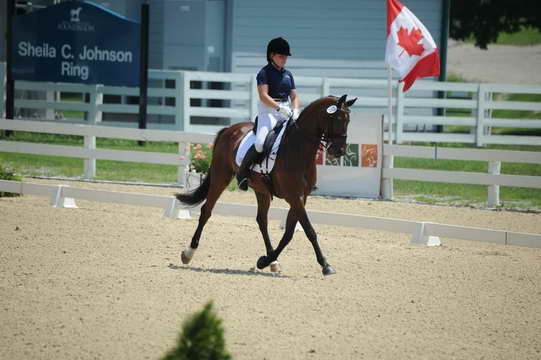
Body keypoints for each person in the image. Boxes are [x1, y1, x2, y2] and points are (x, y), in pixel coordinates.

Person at [237, 37, 300, 191]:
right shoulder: (264, 73)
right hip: (269, 112)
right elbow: (263, 96)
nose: (284, 59)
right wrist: (279, 108)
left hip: (286, 110)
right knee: (260, 143)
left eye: (285, 57)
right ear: (272, 55)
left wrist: (296, 109)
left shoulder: (288, 75)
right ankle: (243, 174)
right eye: (281, 56)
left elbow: (294, 96)